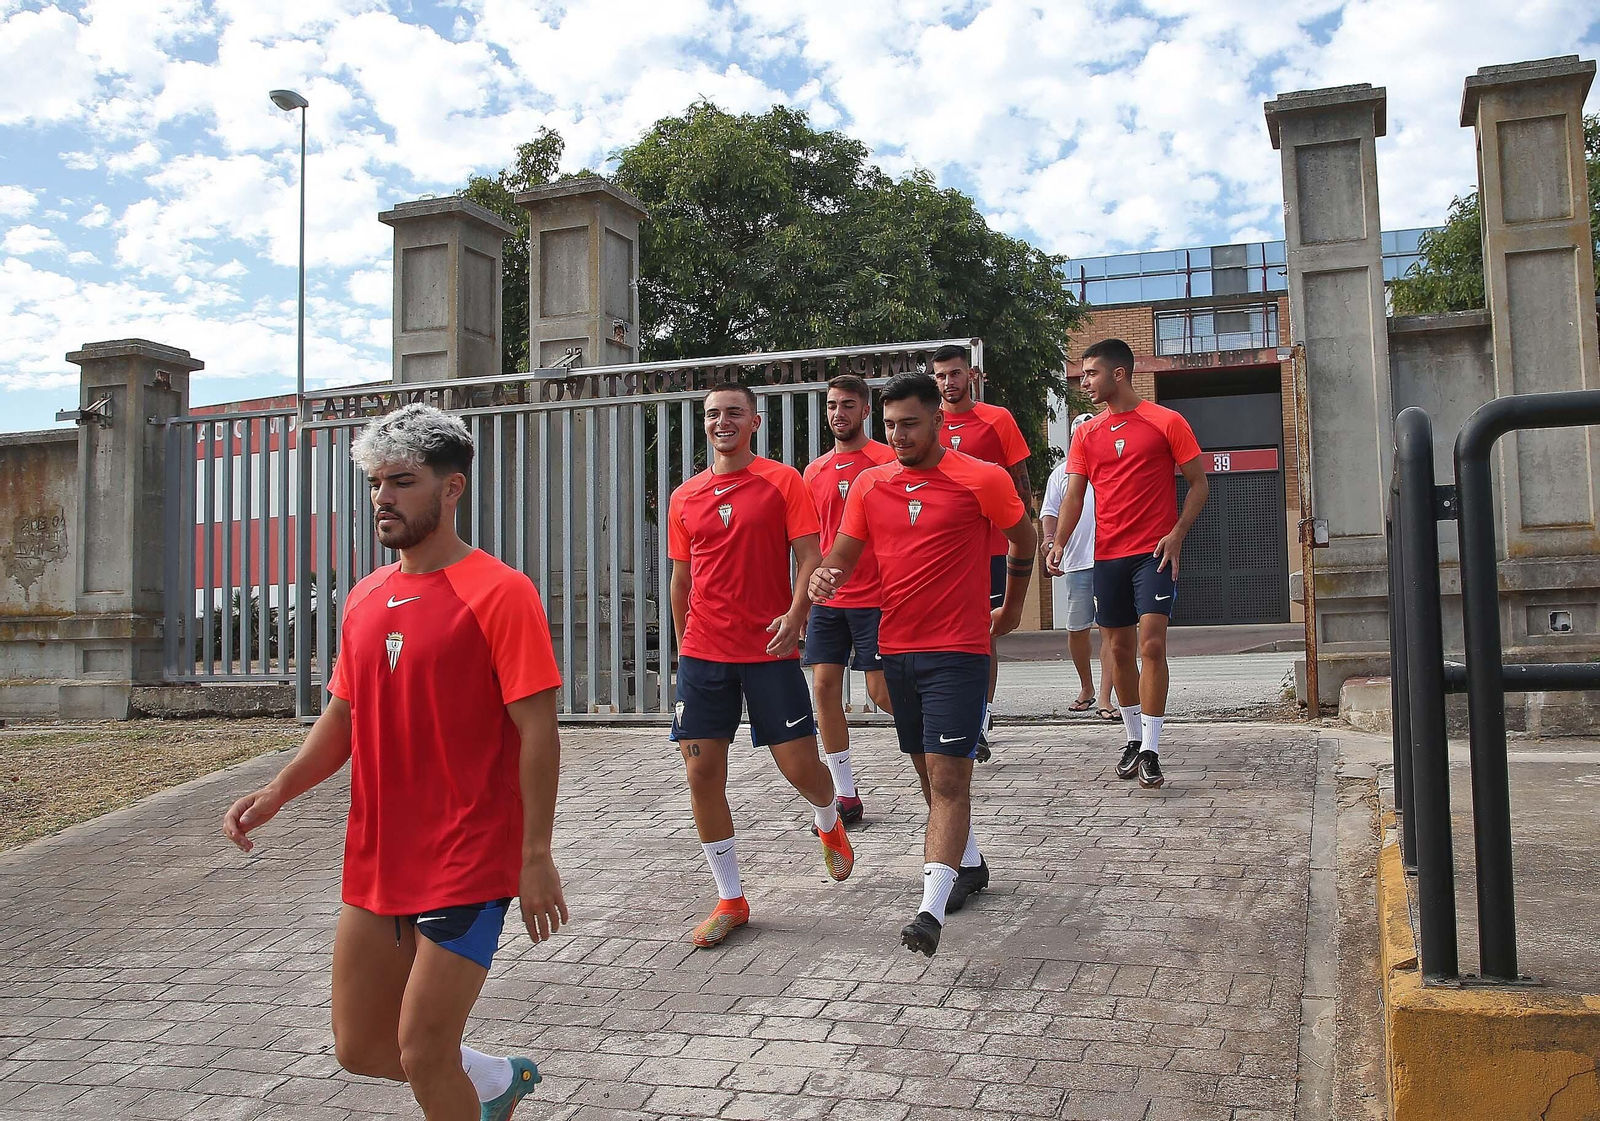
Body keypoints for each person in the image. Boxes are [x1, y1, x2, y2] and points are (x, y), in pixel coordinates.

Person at [221, 404, 563, 1121]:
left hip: (469, 853)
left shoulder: (501, 592)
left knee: (422, 1050)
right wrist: (278, 790)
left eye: (401, 481)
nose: (383, 496)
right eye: (376, 482)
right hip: (378, 854)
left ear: (451, 488)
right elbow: (345, 714)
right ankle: (496, 1082)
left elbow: (538, 732)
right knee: (361, 1044)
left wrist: (535, 855)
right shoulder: (365, 599)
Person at [810, 372, 1035, 957]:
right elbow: (843, 553)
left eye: (909, 423)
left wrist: (1009, 608)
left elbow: (1024, 538)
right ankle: (972, 863)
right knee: (926, 776)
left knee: (949, 778)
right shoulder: (870, 485)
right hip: (897, 648)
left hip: (959, 650)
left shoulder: (979, 479)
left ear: (938, 418)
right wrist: (824, 575)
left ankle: (930, 910)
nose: (899, 435)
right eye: (890, 425)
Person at [668, 383, 855, 949]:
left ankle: (828, 817)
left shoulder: (782, 482)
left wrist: (797, 616)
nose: (721, 422)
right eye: (712, 415)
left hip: (769, 651)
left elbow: (810, 558)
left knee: (799, 768)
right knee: (702, 775)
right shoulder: (686, 496)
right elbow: (682, 579)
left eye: (733, 413)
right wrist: (686, 649)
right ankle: (731, 898)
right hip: (704, 656)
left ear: (755, 420)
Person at [1047, 339, 1209, 789]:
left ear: (1119, 374)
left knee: (1151, 645)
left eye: (1091, 374)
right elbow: (1074, 494)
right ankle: (1133, 738)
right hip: (1107, 556)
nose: (1084, 382)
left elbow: (1199, 485)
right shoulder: (1086, 433)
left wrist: (1176, 534)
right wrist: (1058, 544)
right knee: (1117, 650)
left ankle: (1154, 749)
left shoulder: (1166, 421)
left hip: (1153, 552)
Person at [929, 344, 1034, 762]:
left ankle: (981, 719)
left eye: (955, 374)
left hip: (990, 546)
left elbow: (1020, 479)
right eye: (940, 376)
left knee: (983, 633)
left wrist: (1024, 533)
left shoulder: (997, 419)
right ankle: (953, 714)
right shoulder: (928, 422)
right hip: (941, 549)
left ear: (971, 375)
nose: (948, 382)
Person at [801, 375, 897, 826]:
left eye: (848, 405)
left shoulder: (886, 460)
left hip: (878, 596)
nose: (838, 413)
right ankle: (846, 794)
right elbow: (809, 545)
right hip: (829, 602)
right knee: (823, 689)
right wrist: (802, 601)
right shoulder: (813, 471)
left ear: (866, 411)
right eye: (832, 405)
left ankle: (946, 736)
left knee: (880, 693)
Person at [1042, 412, 1115, 718]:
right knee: (1077, 630)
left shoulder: (1112, 469)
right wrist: (1049, 542)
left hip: (1111, 559)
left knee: (1112, 630)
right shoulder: (1061, 474)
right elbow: (1049, 512)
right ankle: (1086, 687)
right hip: (1077, 563)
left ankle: (1106, 698)